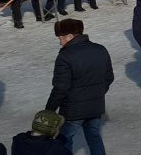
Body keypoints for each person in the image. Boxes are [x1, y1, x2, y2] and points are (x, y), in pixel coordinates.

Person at [46, 19, 114, 155]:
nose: (60, 43)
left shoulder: (65, 56)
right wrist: (96, 95)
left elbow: (61, 88)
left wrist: (49, 110)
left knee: (63, 140)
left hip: (72, 110)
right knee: (94, 138)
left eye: (61, 38)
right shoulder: (100, 49)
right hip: (95, 107)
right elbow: (109, 78)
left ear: (70, 36)